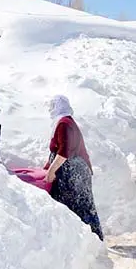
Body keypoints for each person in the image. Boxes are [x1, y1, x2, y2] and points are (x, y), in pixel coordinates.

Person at [43, 95, 104, 241]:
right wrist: (48, 166)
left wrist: (51, 171)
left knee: (78, 207)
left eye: (52, 106)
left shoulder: (64, 123)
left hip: (73, 173)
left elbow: (64, 152)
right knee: (82, 206)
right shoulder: (65, 121)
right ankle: (91, 240)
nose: (50, 110)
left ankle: (91, 241)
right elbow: (58, 150)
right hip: (70, 171)